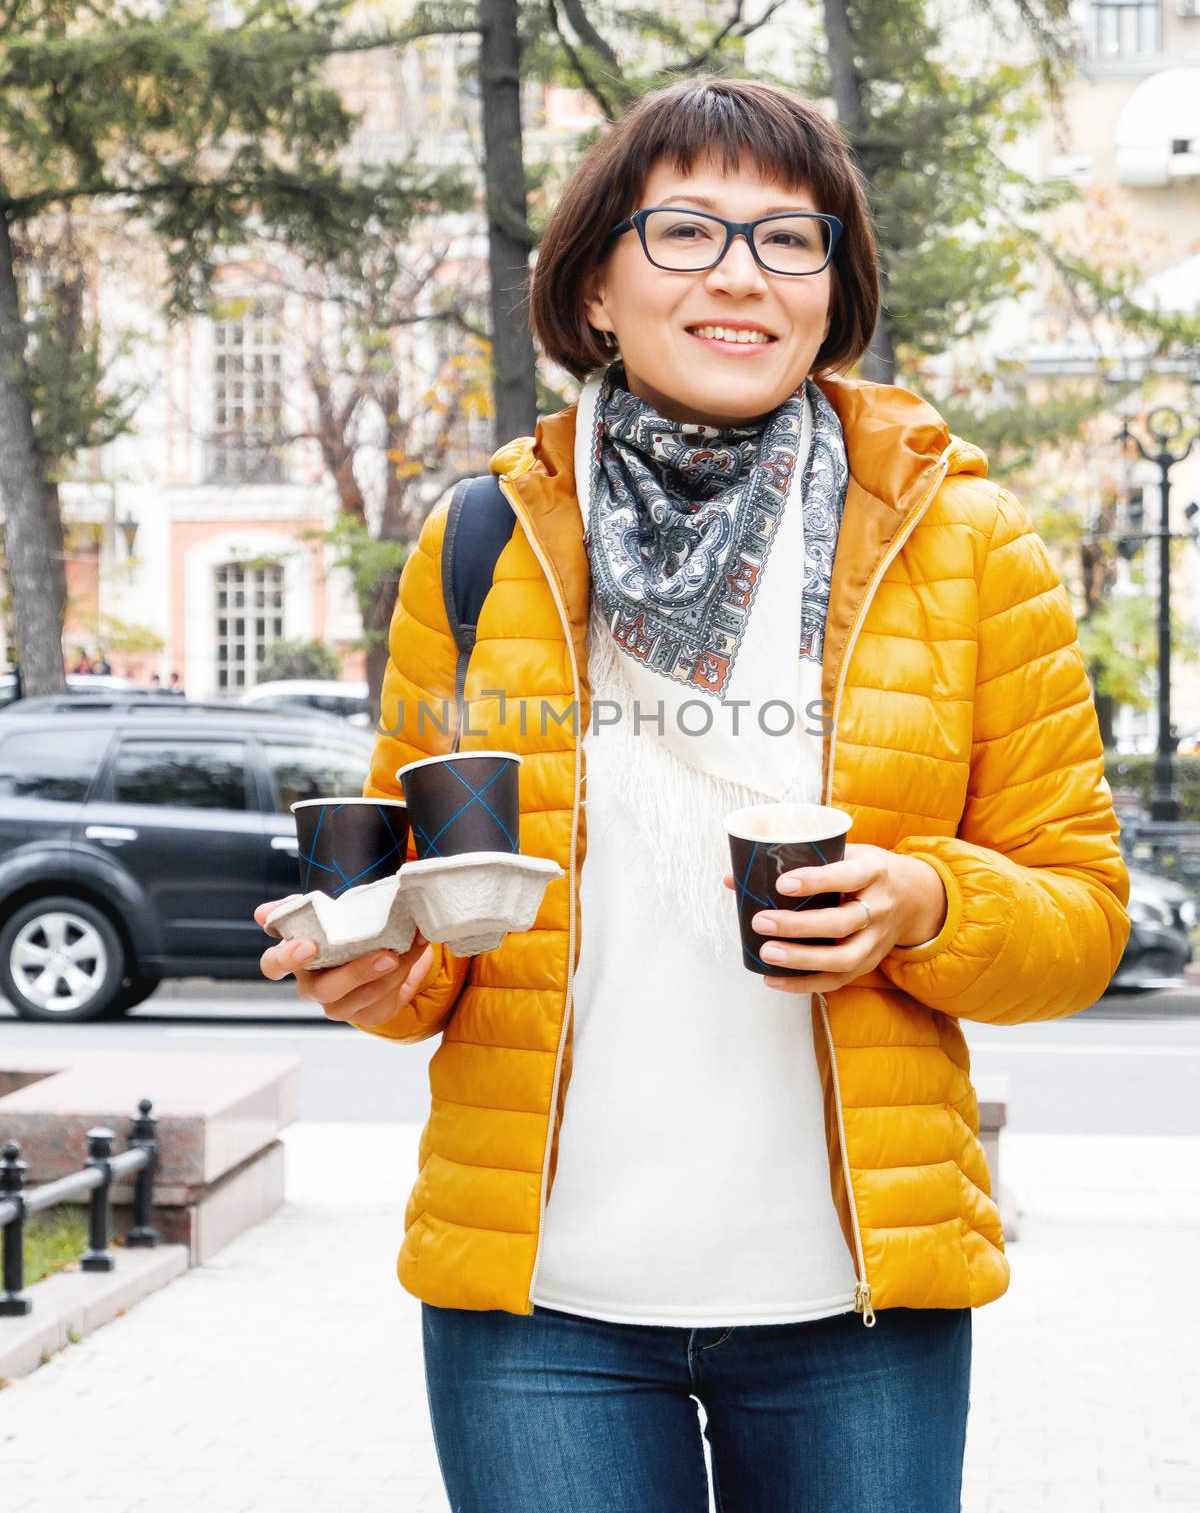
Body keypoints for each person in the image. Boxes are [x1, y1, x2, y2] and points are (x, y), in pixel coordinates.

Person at [254, 77, 1130, 1512]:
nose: (742, 275)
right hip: (541, 1307)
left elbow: (1084, 913)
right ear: (595, 281)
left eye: (793, 240)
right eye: (686, 233)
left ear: (833, 290)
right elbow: (421, 915)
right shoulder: (478, 547)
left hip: (856, 1306)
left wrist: (925, 904)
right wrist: (376, 971)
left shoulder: (965, 548)